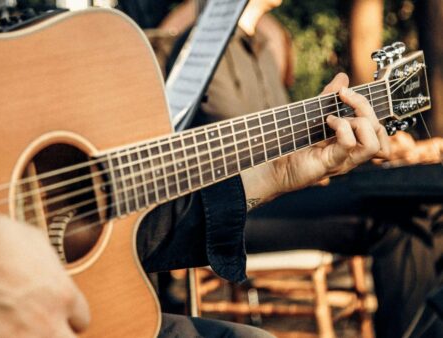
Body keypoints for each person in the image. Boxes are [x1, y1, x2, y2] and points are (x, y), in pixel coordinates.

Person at [163, 0, 442, 337]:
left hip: (282, 190)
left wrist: (348, 138)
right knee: (400, 220)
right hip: (237, 208)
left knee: (421, 210)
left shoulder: (266, 47)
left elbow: (285, 133)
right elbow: (240, 145)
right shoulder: (202, 51)